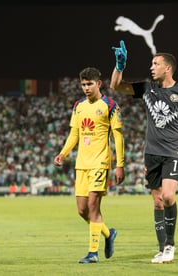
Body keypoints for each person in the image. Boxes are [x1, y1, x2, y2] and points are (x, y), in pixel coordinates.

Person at [110, 40, 178, 263]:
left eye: (155, 64)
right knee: (156, 202)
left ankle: (170, 244)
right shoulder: (147, 89)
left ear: (167, 68)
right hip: (152, 153)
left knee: (167, 196)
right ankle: (160, 248)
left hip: (173, 152)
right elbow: (116, 86)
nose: (151, 67)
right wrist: (119, 66)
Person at [54, 67, 125, 264]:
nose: (86, 88)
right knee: (82, 210)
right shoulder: (78, 106)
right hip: (82, 164)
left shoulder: (110, 106)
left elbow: (118, 137)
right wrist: (63, 153)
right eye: (83, 84)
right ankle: (108, 233)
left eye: (89, 84)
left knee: (94, 206)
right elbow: (74, 134)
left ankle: (93, 253)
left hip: (100, 163)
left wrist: (120, 164)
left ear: (98, 84)